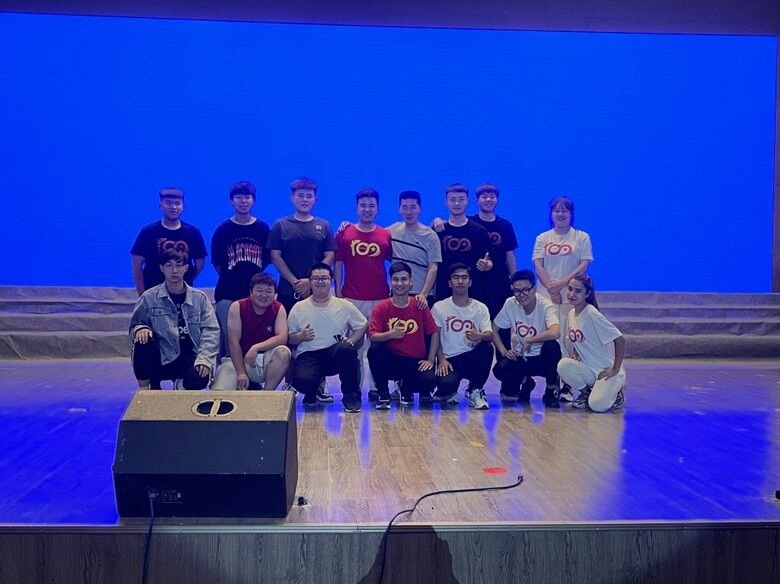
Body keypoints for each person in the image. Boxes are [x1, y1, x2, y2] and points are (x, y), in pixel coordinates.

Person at [268, 177, 337, 402]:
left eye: (309, 196)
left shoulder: (324, 226)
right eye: (300, 195)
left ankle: (320, 385)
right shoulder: (280, 225)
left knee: (319, 336)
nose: (305, 199)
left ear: (315, 199)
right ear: (292, 198)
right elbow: (275, 256)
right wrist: (295, 281)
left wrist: (311, 280)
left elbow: (330, 255)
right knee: (290, 338)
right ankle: (290, 382)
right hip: (288, 292)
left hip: (318, 293)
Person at [129, 249, 219, 390]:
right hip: (162, 355)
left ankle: (180, 385)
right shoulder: (149, 297)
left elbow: (211, 331)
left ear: (186, 268)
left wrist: (205, 359)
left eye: (179, 265)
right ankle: (146, 390)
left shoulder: (200, 298)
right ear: (161, 268)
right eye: (169, 265)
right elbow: (135, 324)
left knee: (200, 377)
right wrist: (141, 328)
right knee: (142, 341)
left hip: (190, 355)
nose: (174, 270)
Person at [532, 195, 593, 401]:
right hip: (547, 298)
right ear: (551, 214)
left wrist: (562, 284)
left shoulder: (581, 237)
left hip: (571, 298)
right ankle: (553, 385)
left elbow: (584, 264)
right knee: (552, 343)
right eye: (556, 210)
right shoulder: (543, 238)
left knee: (570, 341)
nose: (560, 214)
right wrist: (551, 288)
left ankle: (569, 385)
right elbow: (538, 265)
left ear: (571, 214)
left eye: (564, 210)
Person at [334, 188, 393, 400]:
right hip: (351, 298)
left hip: (380, 298)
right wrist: (338, 292)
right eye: (363, 205)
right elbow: (338, 264)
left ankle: (377, 388)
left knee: (378, 347)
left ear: (377, 209)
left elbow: (395, 264)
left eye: (371, 206)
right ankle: (354, 389)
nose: (367, 209)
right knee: (354, 347)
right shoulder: (345, 233)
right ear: (356, 207)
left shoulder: (386, 234)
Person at [287, 263, 367, 412]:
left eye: (324, 278)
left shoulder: (344, 305)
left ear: (331, 280)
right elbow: (289, 338)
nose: (320, 282)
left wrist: (351, 340)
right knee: (303, 381)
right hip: (309, 354)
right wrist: (300, 336)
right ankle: (312, 391)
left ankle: (351, 397)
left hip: (334, 354)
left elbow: (362, 324)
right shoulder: (298, 307)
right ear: (310, 282)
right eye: (315, 278)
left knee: (347, 350)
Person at [368, 262, 440, 410]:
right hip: (392, 360)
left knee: (430, 380)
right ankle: (383, 393)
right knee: (375, 350)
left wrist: (430, 359)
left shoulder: (420, 305)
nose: (400, 283)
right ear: (390, 282)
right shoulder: (381, 307)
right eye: (395, 279)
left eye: (404, 279)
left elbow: (434, 332)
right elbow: (373, 336)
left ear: (411, 282)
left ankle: (405, 388)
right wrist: (390, 334)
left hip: (414, 361)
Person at [211, 181, 270, 357]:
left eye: (247, 197)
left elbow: (266, 260)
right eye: (238, 197)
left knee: (253, 339)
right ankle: (227, 371)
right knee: (229, 342)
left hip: (255, 295)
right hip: (227, 294)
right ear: (231, 201)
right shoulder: (222, 230)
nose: (243, 201)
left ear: (253, 200)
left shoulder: (262, 229)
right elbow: (217, 263)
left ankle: (252, 372)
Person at [492, 269, 562, 408]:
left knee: (552, 346)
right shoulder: (510, 303)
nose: (522, 295)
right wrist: (504, 351)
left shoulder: (545, 305)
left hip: (542, 358)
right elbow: (494, 329)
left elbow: (555, 332)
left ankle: (551, 389)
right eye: (517, 291)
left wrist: (531, 340)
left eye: (526, 290)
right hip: (522, 356)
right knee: (499, 370)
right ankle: (526, 382)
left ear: (534, 289)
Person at [211, 273, 291, 391]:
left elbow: (282, 337)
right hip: (238, 361)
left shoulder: (279, 308)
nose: (264, 295)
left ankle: (267, 395)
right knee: (219, 391)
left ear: (275, 294)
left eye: (269, 291)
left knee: (283, 352)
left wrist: (256, 347)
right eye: (259, 290)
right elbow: (233, 342)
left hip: (264, 361)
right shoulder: (237, 306)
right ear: (250, 292)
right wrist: (241, 373)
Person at [557, 274, 626, 412]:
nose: (572, 294)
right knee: (563, 365)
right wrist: (576, 354)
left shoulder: (591, 313)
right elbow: (579, 338)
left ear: (587, 294)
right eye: (570, 289)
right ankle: (587, 392)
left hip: (606, 371)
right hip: (589, 370)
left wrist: (615, 369)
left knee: (597, 406)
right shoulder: (571, 313)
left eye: (578, 291)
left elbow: (620, 339)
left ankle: (617, 392)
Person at [431, 264, 494, 410]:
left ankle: (475, 390)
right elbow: (435, 337)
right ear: (449, 282)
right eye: (456, 278)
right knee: (446, 384)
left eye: (464, 278)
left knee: (487, 348)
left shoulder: (480, 307)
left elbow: (489, 335)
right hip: (450, 359)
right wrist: (441, 359)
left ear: (470, 282)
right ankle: (448, 392)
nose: (460, 281)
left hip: (472, 356)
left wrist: (479, 335)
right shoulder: (439, 307)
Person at [130, 187, 207, 295]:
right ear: (160, 206)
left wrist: (188, 279)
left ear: (183, 207)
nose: (173, 207)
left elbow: (200, 263)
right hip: (153, 292)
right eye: (168, 203)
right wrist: (142, 294)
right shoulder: (148, 232)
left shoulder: (193, 233)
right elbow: (137, 264)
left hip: (183, 293)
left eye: (177, 203)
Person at [433, 183, 493, 304]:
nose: (457, 203)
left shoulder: (480, 231)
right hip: (444, 291)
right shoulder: (438, 230)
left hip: (474, 292)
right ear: (446, 202)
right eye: (452, 199)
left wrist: (487, 265)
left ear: (467, 201)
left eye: (461, 199)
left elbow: (490, 259)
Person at [470, 183, 519, 319]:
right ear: (477, 200)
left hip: (500, 280)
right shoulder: (470, 222)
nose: (488, 200)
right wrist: (437, 221)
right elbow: (452, 223)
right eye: (484, 197)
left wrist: (515, 280)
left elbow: (510, 254)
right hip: (476, 280)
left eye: (492, 197)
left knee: (501, 319)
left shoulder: (505, 225)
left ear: (497, 200)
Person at [389, 190, 442, 308]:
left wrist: (424, 294)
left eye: (413, 207)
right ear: (399, 209)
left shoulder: (430, 236)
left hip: (421, 296)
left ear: (420, 209)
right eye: (404, 207)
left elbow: (433, 268)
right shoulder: (392, 231)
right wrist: (348, 226)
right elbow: (371, 233)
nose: (408, 212)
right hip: (397, 292)